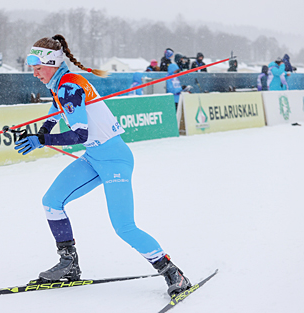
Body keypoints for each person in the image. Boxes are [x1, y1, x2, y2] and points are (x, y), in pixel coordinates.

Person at [14, 34, 191, 298]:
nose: (35, 74)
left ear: (52, 63)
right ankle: (69, 264)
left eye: (38, 68)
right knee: (51, 202)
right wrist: (41, 131)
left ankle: (172, 272)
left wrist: (41, 140)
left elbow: (79, 135)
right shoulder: (58, 84)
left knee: (124, 226)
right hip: (94, 158)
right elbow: (56, 110)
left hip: (114, 159)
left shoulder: (69, 86)